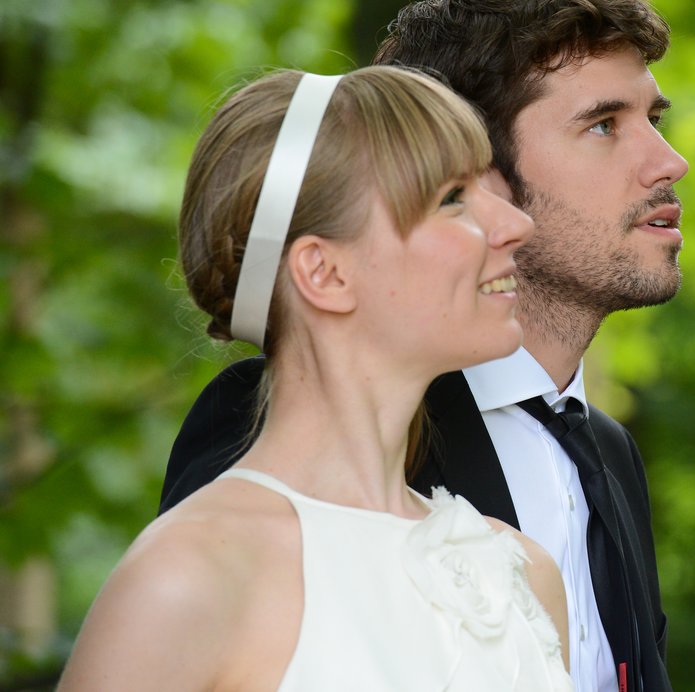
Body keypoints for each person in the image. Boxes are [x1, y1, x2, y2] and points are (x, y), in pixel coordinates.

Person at [159, 0, 688, 692]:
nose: (669, 162)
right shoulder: (287, 424)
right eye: (604, 125)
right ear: (482, 170)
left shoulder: (609, 455)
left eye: (656, 120)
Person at [59, 67, 572, 691]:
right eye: (452, 197)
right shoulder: (188, 580)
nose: (516, 224)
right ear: (324, 273)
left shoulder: (522, 576)